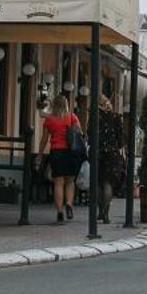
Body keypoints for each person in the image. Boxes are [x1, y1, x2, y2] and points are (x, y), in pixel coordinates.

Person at [36, 93, 84, 223]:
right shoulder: (72, 117)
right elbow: (80, 133)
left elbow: (44, 140)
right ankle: (69, 204)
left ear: (54, 105)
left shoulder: (49, 120)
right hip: (71, 153)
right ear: (66, 104)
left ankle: (60, 212)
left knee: (58, 183)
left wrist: (40, 155)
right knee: (70, 182)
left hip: (56, 153)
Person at [93, 82, 125, 219]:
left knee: (99, 183)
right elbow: (121, 139)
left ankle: (100, 211)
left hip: (98, 152)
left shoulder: (95, 116)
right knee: (108, 183)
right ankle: (106, 212)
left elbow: (90, 134)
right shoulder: (116, 117)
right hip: (112, 154)